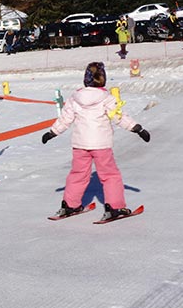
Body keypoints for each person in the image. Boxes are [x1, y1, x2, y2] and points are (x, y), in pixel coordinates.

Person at [41, 62, 150, 221]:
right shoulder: (107, 98)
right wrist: (137, 128)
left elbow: (65, 119)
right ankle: (115, 207)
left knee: (78, 174)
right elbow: (119, 116)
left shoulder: (75, 98)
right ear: (103, 79)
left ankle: (70, 204)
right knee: (110, 175)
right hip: (101, 145)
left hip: (80, 145)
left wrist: (52, 132)